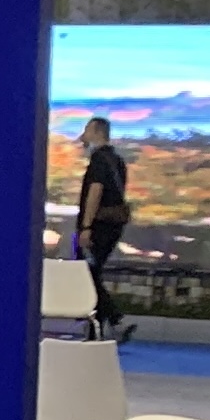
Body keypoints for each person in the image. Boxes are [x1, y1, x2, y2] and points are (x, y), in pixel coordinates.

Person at [75, 115, 129, 334]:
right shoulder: (117, 160)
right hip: (113, 225)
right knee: (92, 274)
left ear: (97, 132)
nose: (83, 135)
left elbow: (95, 192)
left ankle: (115, 319)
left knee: (87, 275)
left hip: (98, 227)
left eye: (87, 130)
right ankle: (96, 329)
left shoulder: (98, 160)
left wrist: (86, 226)